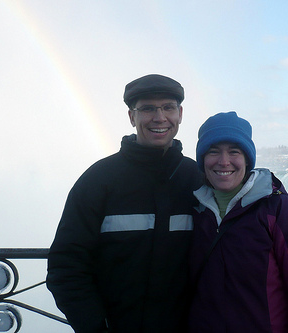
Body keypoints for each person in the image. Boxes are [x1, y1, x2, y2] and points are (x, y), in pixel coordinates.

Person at [46, 74, 202, 333]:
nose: (159, 117)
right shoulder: (98, 181)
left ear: (180, 113)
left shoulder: (197, 180)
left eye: (167, 107)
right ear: (132, 117)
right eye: (148, 108)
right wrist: (96, 327)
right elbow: (66, 264)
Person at [188, 111, 288, 333]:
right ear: (202, 160)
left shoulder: (282, 213)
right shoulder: (194, 212)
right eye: (213, 152)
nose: (223, 161)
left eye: (234, 152)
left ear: (247, 159)